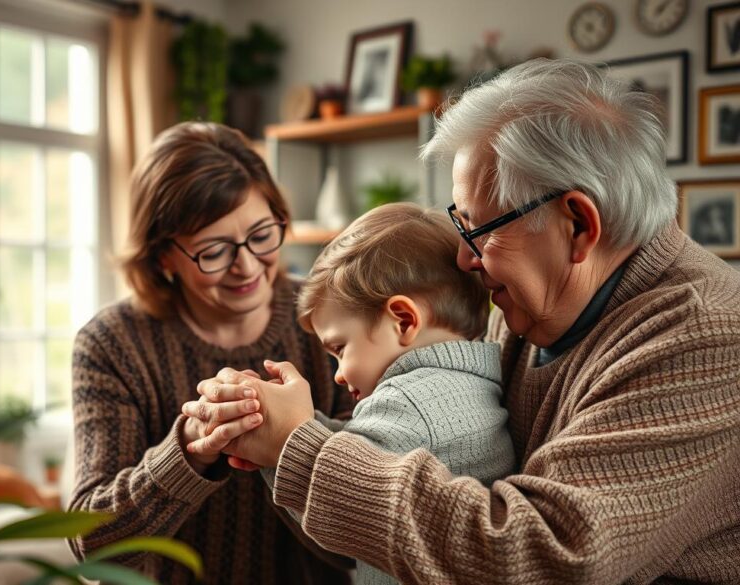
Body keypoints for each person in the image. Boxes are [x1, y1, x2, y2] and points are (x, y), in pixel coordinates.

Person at [184, 59, 740, 583]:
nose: (463, 259)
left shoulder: (707, 338)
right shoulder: (527, 309)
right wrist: (282, 433)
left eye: (479, 229)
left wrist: (296, 449)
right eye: (459, 223)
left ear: (577, 224)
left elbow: (537, 555)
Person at [67, 121, 355, 584]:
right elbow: (90, 543)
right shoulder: (112, 344)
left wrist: (295, 444)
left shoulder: (330, 316)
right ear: (162, 256)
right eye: (214, 250)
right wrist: (189, 450)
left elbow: (365, 531)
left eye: (262, 234)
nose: (246, 265)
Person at [250, 203, 516, 585]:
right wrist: (292, 422)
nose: (339, 375)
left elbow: (338, 512)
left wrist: (279, 439)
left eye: (340, 349)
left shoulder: (408, 402)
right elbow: (356, 456)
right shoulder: (469, 385)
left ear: (404, 321)